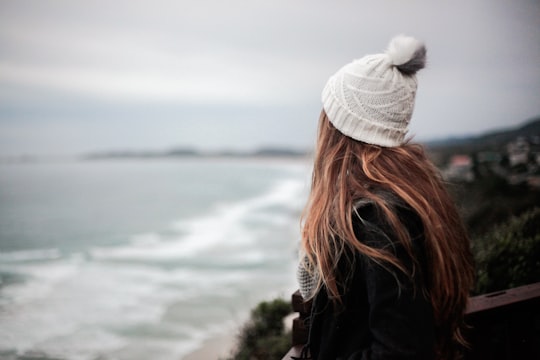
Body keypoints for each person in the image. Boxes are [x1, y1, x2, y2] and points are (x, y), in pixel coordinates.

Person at [296, 35, 475, 359]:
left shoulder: (379, 218)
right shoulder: (411, 193)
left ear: (341, 130)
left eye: (328, 114)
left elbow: (400, 350)